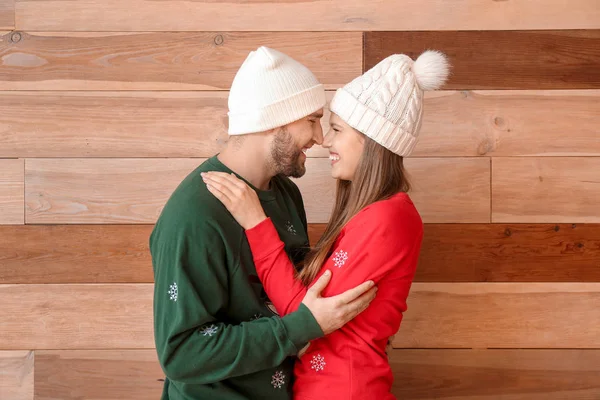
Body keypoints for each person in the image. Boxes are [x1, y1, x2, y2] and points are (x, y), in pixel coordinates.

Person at [202, 50, 450, 399]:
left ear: (371, 142)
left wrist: (256, 223)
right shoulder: (373, 212)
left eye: (336, 129)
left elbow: (305, 315)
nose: (325, 140)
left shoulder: (388, 217)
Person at [150, 46, 378, 400]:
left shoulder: (286, 193)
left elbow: (298, 292)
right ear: (275, 121)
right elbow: (181, 355)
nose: (320, 138)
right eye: (312, 120)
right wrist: (300, 328)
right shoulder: (193, 217)